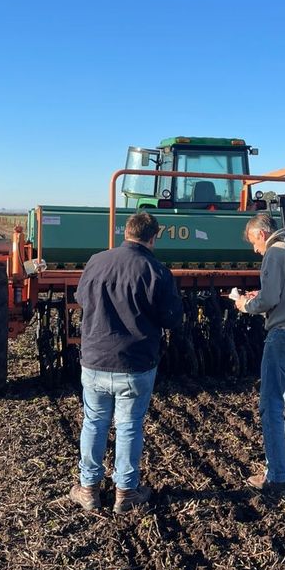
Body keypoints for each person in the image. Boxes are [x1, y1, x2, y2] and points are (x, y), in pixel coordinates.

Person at [70, 211, 183, 514]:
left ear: (127, 232)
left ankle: (88, 489)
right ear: (153, 237)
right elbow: (172, 319)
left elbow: (82, 299)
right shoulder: (156, 270)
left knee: (94, 422)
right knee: (129, 426)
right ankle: (125, 493)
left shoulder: (96, 261)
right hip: (135, 365)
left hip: (94, 360)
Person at [235, 212, 285, 489]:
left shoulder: (275, 252)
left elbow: (270, 298)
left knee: (270, 405)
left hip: (284, 338)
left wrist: (245, 305)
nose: (255, 250)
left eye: (253, 242)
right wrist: (260, 299)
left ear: (261, 234)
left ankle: (277, 476)